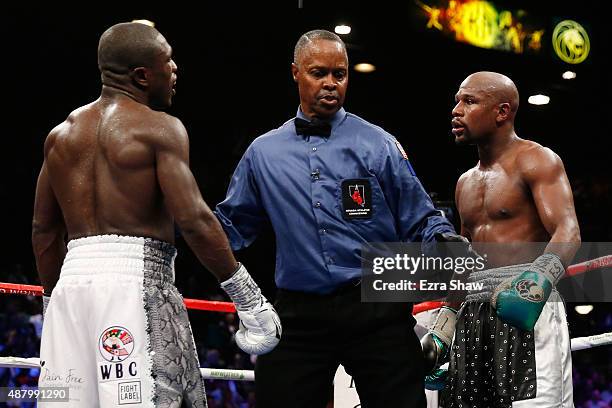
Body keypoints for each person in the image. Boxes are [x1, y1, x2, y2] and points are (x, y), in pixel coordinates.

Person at [32, 22, 280, 408]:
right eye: (168, 60)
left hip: (69, 293)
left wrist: (53, 305)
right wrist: (248, 300)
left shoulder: (60, 136)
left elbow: (44, 232)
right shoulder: (160, 129)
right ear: (143, 76)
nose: (175, 68)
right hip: (136, 289)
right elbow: (194, 220)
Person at [214, 29, 465, 408]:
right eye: (319, 73)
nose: (331, 84)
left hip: (376, 302)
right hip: (299, 311)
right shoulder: (262, 154)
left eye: (340, 74)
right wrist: (177, 224)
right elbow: (231, 228)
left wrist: (445, 241)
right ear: (296, 72)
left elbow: (420, 217)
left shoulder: (378, 143)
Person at [440, 71, 581, 407]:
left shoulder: (536, 159)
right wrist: (443, 328)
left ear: (502, 112)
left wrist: (535, 284)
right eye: (457, 100)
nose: (456, 110)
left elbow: (568, 231)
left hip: (527, 306)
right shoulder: (464, 183)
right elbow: (466, 262)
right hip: (474, 314)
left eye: (469, 101)